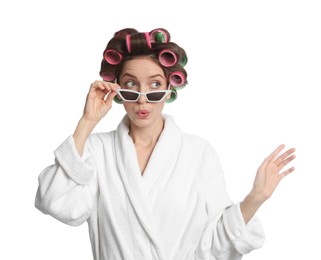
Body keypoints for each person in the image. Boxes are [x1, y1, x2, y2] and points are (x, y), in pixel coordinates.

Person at [35, 28, 296, 260]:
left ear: (170, 90)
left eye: (155, 85)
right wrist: (87, 121)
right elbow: (57, 203)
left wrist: (255, 198)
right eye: (130, 85)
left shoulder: (198, 153)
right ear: (116, 90)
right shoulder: (96, 150)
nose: (142, 99)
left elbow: (215, 246)